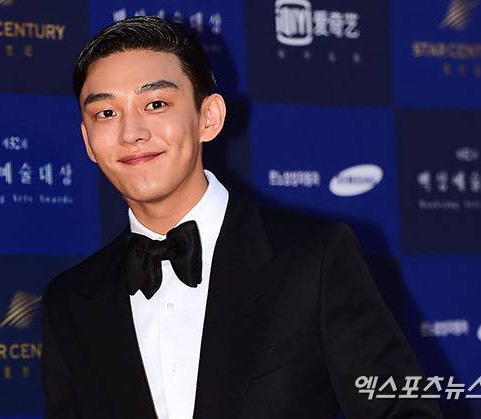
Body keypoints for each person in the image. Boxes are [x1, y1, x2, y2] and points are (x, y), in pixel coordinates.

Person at [40, 16, 442, 419]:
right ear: (87, 141)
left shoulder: (314, 258)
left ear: (209, 117)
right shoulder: (69, 300)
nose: (132, 133)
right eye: (106, 113)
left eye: (156, 104)